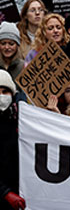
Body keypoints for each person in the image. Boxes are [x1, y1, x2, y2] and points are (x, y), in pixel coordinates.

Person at [0, 69, 24, 210]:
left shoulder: (20, 119)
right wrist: (5, 192)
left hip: (19, 194)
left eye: (5, 92)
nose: (1, 96)